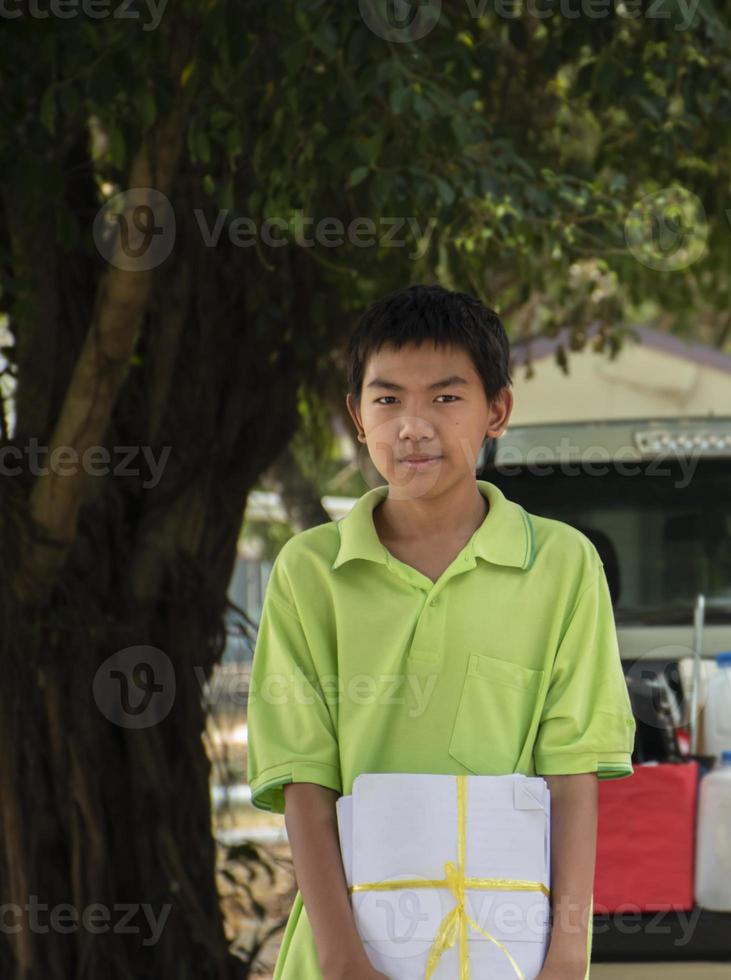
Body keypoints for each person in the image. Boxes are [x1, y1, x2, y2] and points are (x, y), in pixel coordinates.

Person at [246, 284, 635, 980]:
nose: (413, 426)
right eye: (388, 399)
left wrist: (568, 955)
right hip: (345, 951)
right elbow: (303, 780)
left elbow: (572, 776)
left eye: (446, 398)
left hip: (507, 949)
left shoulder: (563, 565)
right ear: (357, 418)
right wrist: (342, 960)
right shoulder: (310, 573)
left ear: (497, 411)